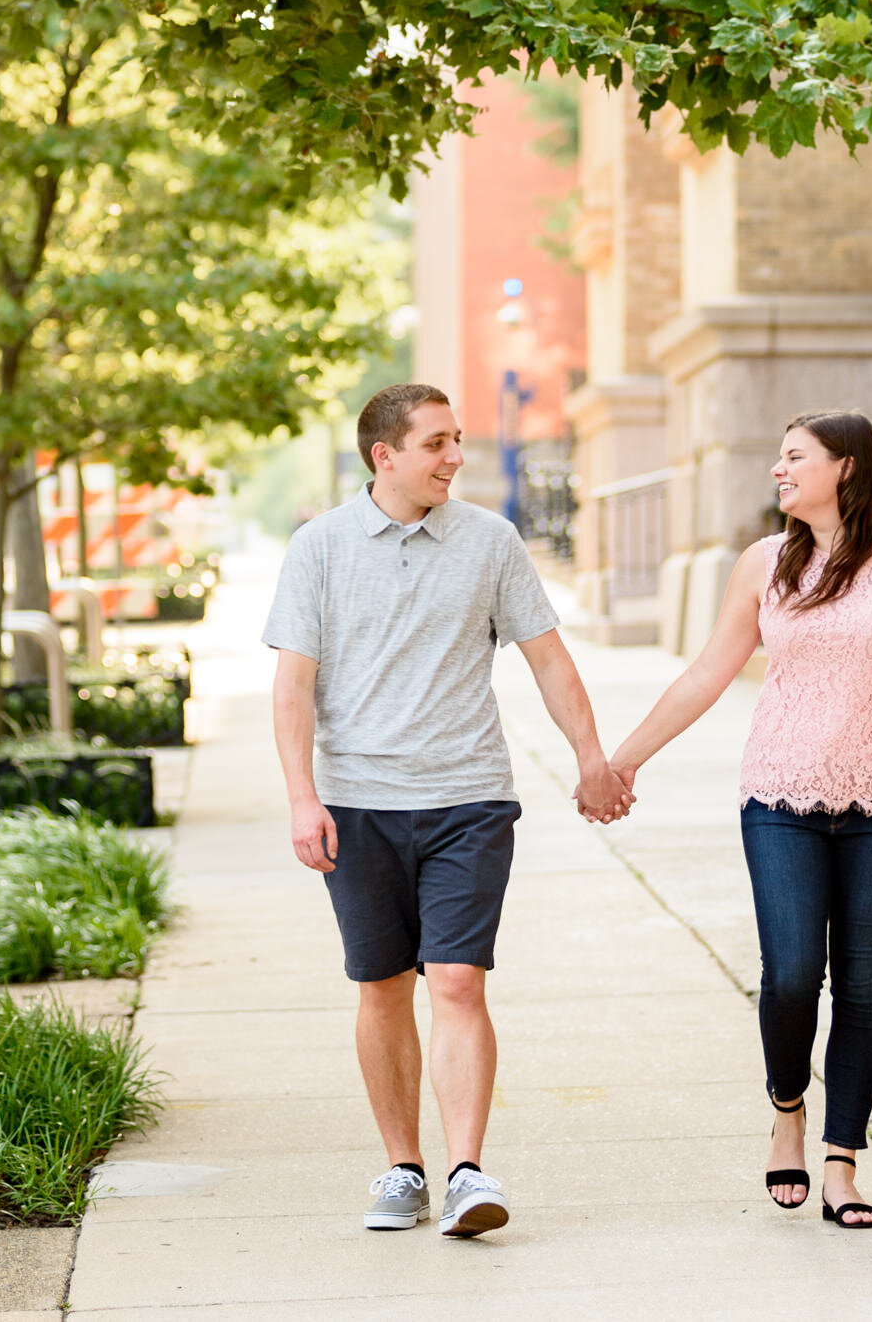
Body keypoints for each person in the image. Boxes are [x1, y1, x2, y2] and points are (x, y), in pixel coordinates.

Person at [609, 409, 872, 1229]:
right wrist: (625, 758)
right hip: (780, 798)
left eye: (794, 456)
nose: (777, 469)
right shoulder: (764, 563)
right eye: (777, 456)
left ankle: (842, 1163)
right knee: (793, 974)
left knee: (863, 986)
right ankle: (787, 1107)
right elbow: (706, 673)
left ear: (844, 467)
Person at [266, 381, 631, 1240]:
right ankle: (403, 1169)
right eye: (436, 443)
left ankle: (467, 1171)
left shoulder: (490, 542)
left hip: (469, 796)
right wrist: (300, 796)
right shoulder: (318, 548)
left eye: (458, 439)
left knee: (458, 981)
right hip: (358, 805)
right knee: (384, 986)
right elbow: (293, 685)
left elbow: (548, 659)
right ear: (383, 454)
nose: (456, 457)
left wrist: (591, 758)